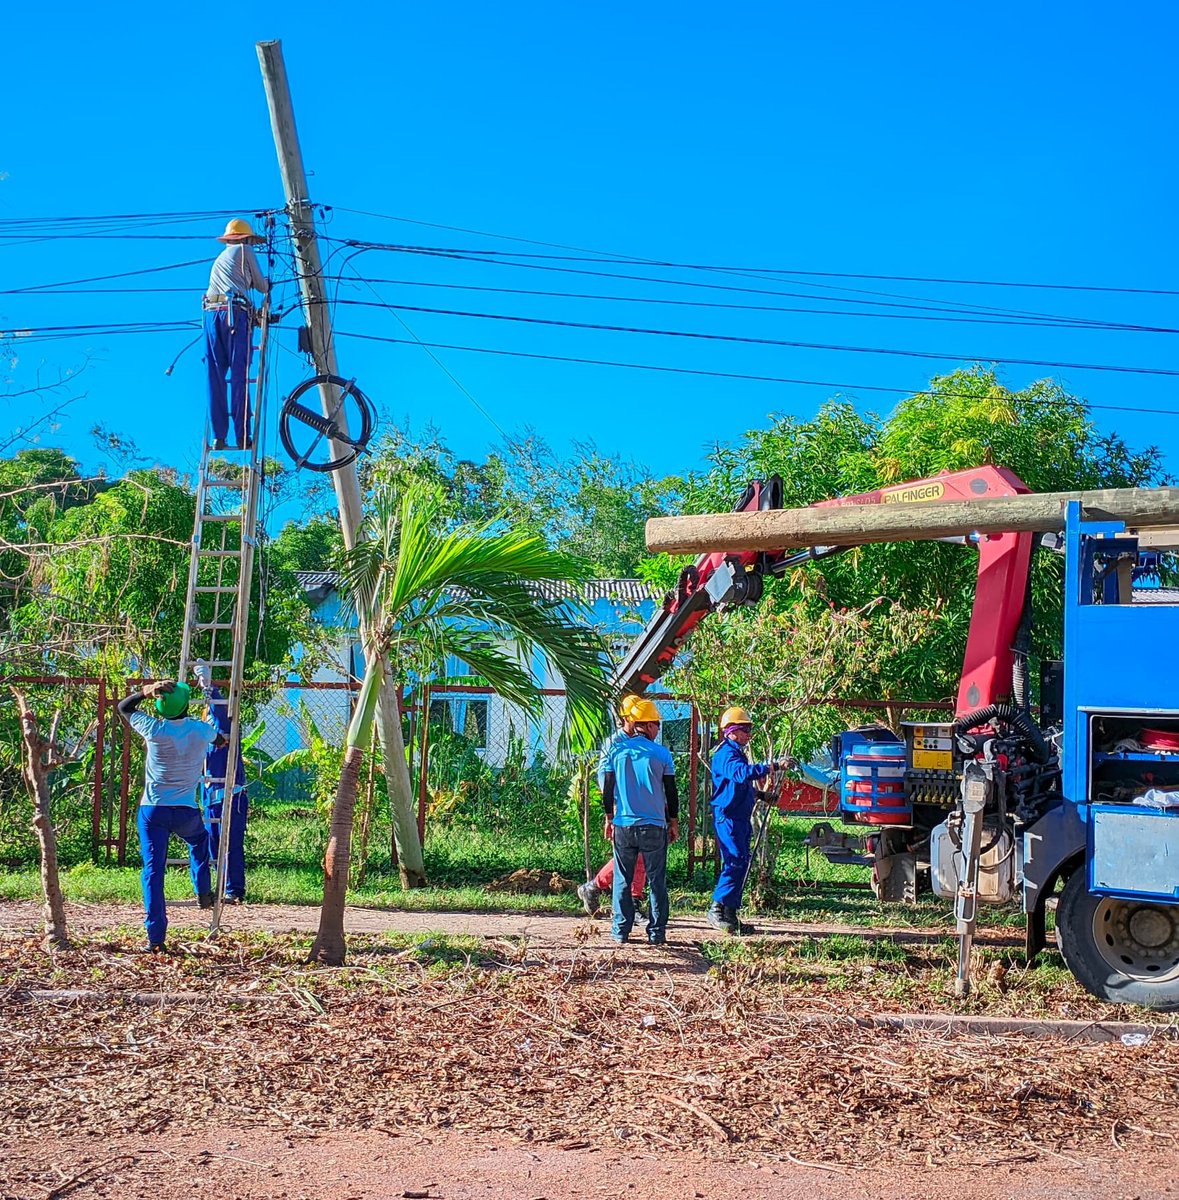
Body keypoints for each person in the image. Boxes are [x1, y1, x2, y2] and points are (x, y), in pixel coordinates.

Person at [118, 680, 224, 952]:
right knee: (199, 842)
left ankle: (155, 938)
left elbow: (124, 706)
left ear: (159, 707)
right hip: (185, 810)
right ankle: (203, 890)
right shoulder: (201, 730)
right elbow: (221, 740)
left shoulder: (153, 728)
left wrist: (146, 690)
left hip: (153, 810)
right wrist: (220, 739)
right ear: (187, 705)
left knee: (153, 871)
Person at [600, 698, 679, 945]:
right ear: (650, 725)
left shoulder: (617, 751)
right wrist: (673, 821)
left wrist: (609, 818)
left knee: (623, 878)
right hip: (654, 826)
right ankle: (656, 933)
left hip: (624, 824)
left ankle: (620, 932)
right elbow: (671, 791)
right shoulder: (662, 754)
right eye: (657, 725)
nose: (658, 730)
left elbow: (607, 788)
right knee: (657, 880)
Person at [706, 707, 788, 936]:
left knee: (741, 862)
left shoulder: (737, 753)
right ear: (731, 732)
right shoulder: (726, 755)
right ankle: (716, 909)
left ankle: (730, 913)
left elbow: (739, 786)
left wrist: (762, 795)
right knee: (734, 862)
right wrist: (773, 766)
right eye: (745, 730)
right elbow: (741, 774)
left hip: (739, 816)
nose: (748, 734)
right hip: (728, 817)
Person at [576, 695, 648, 916]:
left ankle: (629, 899)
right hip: (622, 806)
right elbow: (604, 778)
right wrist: (613, 808)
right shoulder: (614, 743)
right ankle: (597, 887)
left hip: (639, 806)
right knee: (628, 855)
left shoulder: (642, 740)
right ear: (627, 718)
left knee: (641, 854)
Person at [204, 218, 269, 451]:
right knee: (239, 375)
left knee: (216, 376)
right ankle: (242, 436)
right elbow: (261, 286)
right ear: (246, 239)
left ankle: (218, 437)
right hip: (234, 314)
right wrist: (266, 284)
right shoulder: (245, 249)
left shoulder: (221, 259)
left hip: (211, 314)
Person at [193, 661, 248, 904]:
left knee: (231, 844)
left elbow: (219, 710)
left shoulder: (227, 726)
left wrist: (209, 686)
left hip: (230, 793)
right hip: (210, 792)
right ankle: (216, 884)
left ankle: (234, 890)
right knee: (213, 842)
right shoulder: (206, 731)